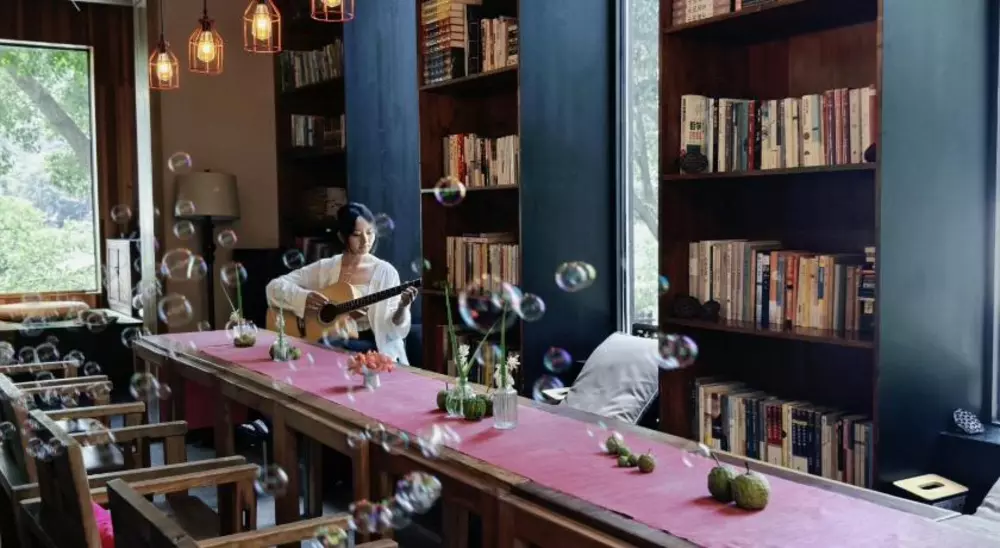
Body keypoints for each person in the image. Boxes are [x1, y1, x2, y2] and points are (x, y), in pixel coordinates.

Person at [265, 203, 418, 364]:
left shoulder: (386, 272)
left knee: (326, 347)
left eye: (370, 232)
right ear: (342, 237)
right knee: (323, 346)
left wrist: (403, 307)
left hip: (373, 346)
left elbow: (395, 331)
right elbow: (274, 287)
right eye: (357, 234)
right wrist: (304, 298)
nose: (365, 240)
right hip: (329, 341)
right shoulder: (326, 267)